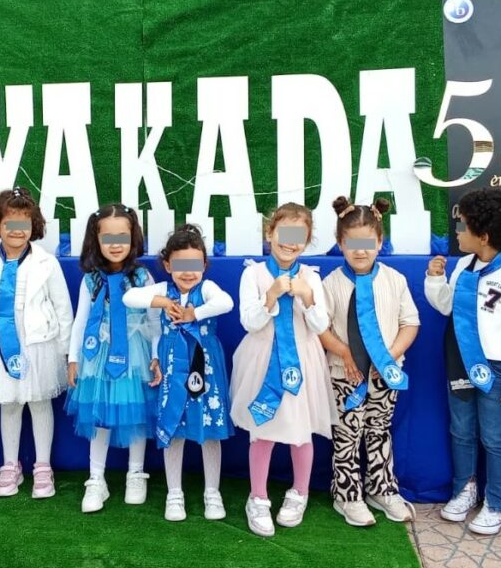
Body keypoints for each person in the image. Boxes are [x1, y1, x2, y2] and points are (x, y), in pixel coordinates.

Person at [425, 187, 501, 535]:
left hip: (496, 371)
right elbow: (446, 306)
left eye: (462, 227)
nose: (456, 233)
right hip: (459, 362)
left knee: (495, 438)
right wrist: (434, 279)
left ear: (484, 235)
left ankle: (497, 503)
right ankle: (465, 489)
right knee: (461, 431)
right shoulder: (462, 266)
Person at [230, 202, 338, 537]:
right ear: (269, 233)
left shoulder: (312, 277)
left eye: (299, 237)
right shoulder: (254, 273)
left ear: (307, 242)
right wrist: (270, 297)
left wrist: (307, 297)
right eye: (284, 234)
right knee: (261, 431)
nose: (290, 243)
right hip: (263, 360)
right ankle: (258, 497)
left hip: (303, 362)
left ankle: (299, 493)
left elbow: (321, 325)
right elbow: (249, 322)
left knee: (300, 431)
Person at [123, 224, 234, 522]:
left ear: (204, 266)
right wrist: (161, 302)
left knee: (210, 433)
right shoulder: (163, 290)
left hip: (205, 367)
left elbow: (227, 302)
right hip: (173, 367)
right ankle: (175, 493)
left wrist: (194, 313)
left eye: (195, 265)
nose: (188, 272)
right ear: (168, 265)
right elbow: (129, 298)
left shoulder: (207, 289)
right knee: (174, 429)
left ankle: (213, 492)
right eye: (180, 265)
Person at [319, 196, 419, 526]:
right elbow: (320, 328)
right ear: (340, 243)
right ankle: (346, 494)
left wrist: (388, 356)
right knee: (347, 433)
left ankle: (382, 488)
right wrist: (345, 353)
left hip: (384, 375)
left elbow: (410, 322)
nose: (360, 251)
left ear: (380, 241)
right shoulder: (330, 284)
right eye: (352, 244)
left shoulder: (395, 280)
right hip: (345, 374)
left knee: (378, 430)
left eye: (367, 243)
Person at [0, 187, 73, 499]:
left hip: (39, 344)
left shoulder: (47, 263)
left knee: (39, 403)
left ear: (34, 227)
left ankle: (43, 466)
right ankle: (10, 465)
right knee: (10, 405)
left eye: (24, 224)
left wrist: (68, 353)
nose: (17, 231)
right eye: (9, 224)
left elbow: (63, 308)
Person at [65, 203, 162, 513]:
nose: (116, 244)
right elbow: (80, 321)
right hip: (97, 355)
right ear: (96, 239)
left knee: (135, 413)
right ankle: (96, 479)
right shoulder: (90, 279)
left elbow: (154, 320)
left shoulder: (143, 276)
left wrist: (157, 355)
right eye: (108, 238)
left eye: (123, 236)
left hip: (135, 354)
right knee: (100, 414)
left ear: (134, 237)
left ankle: (136, 473)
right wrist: (73, 358)